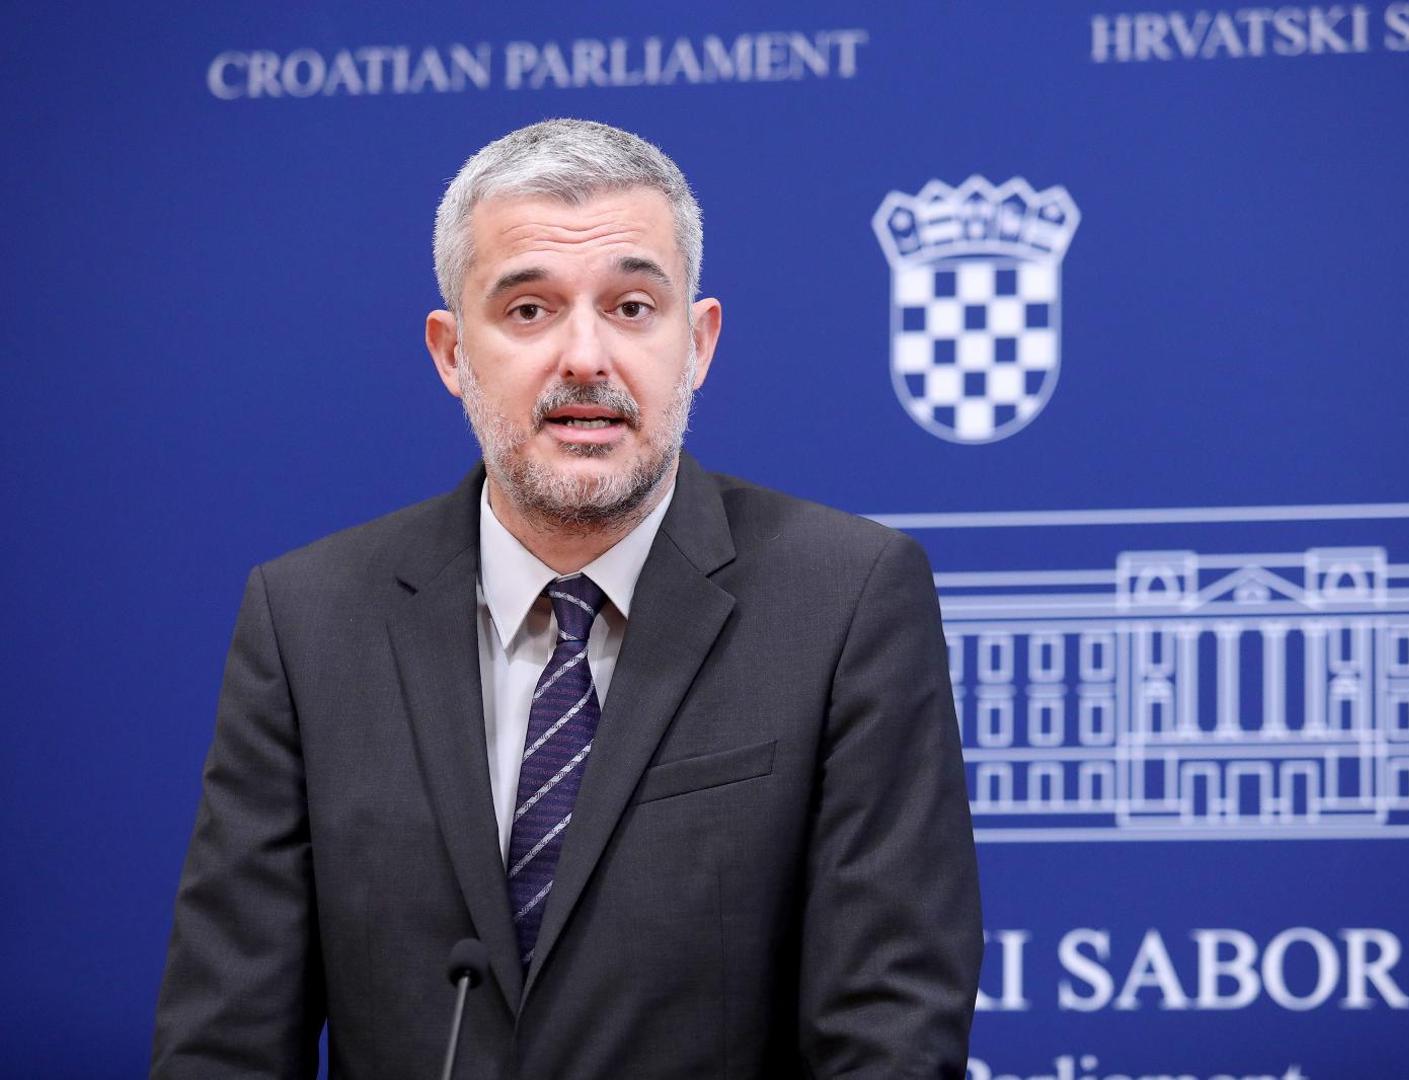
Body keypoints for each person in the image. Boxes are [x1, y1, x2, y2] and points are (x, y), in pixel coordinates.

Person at [152, 118, 982, 1079]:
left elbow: (889, 1032)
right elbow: (227, 1039)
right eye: (530, 310)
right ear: (451, 353)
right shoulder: (308, 621)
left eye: (632, 307)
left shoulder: (844, 600)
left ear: (698, 343)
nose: (585, 358)